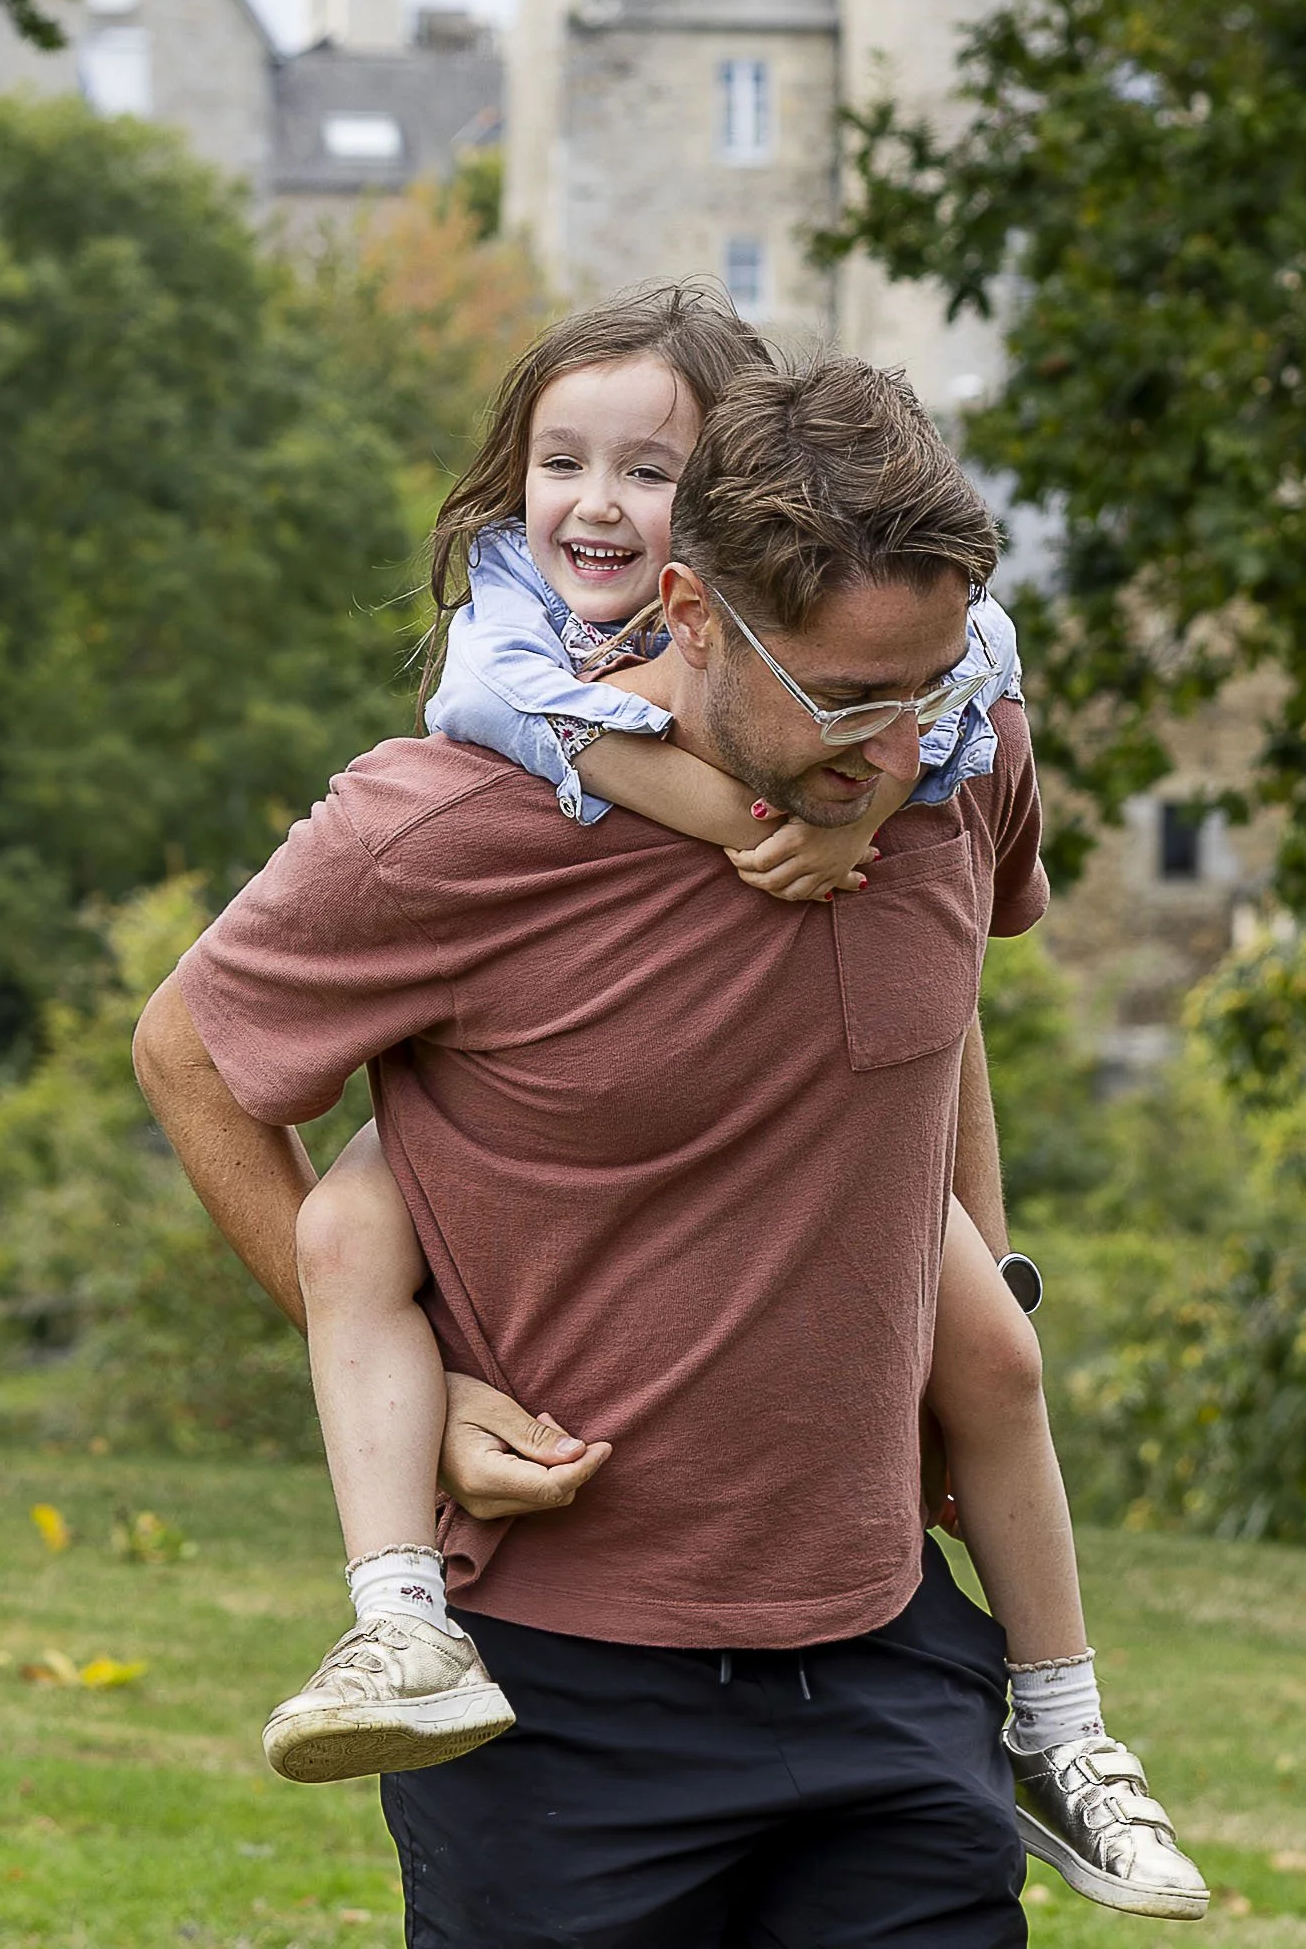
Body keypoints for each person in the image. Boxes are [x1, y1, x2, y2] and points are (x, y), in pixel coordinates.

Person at [135, 342, 1203, 1946]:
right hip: (553, 1703)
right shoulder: (448, 826)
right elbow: (191, 1053)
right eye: (847, 700)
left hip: (894, 1666)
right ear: (694, 614)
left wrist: (986, 1307)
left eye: (930, 684)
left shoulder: (955, 769)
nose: (900, 744)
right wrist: (412, 1382)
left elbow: (938, 1010)